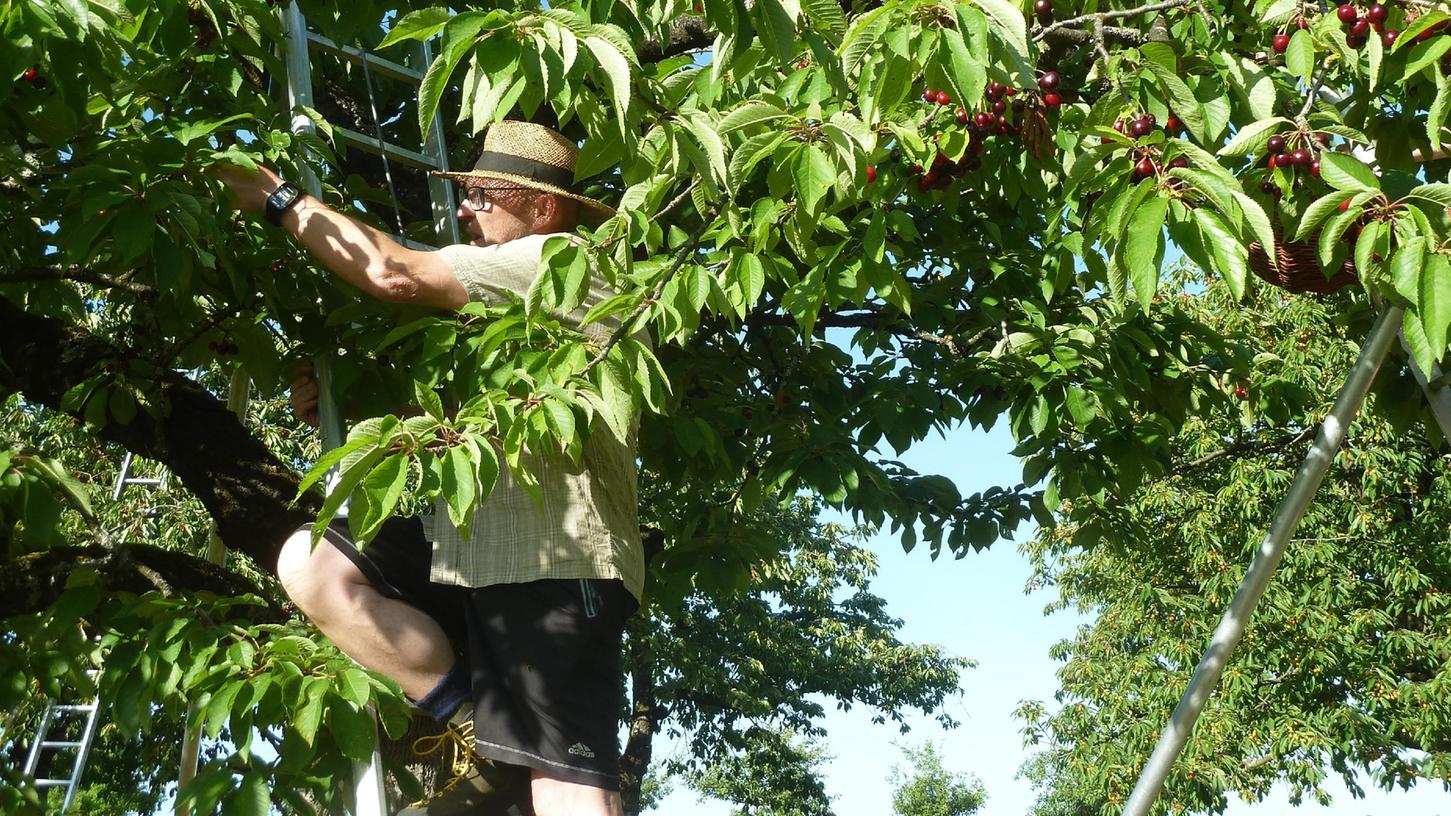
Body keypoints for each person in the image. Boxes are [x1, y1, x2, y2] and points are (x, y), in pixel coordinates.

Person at [214, 121, 644, 816]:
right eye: (466, 192)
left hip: (555, 554)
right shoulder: (495, 311)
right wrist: (354, 404)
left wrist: (276, 196)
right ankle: (473, 728)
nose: (465, 208)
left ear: (542, 208)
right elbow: (462, 429)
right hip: (472, 543)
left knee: (565, 785)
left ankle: (517, 756)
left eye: (482, 195)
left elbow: (392, 272)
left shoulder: (562, 260)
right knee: (315, 562)